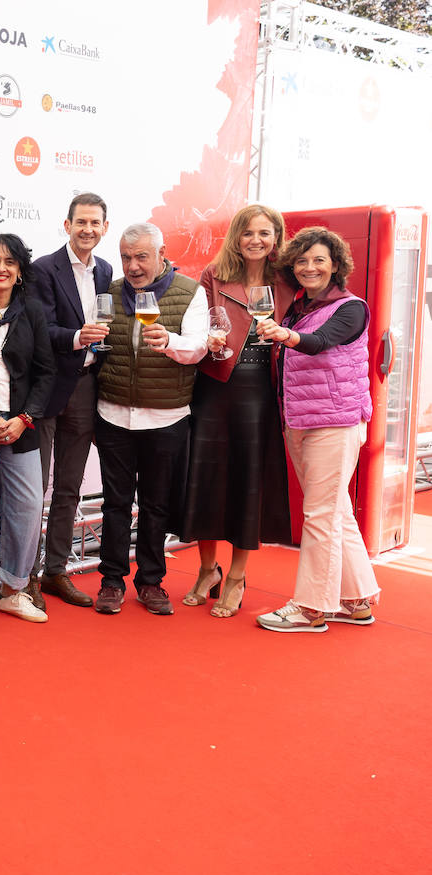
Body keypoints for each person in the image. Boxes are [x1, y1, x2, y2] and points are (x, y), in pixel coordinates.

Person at [254, 226, 380, 632]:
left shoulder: (351, 307)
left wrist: (284, 334)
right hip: (301, 421)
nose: (310, 267)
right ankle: (356, 599)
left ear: (336, 265)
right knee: (336, 511)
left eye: (319, 260)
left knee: (320, 514)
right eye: (303, 260)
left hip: (336, 422)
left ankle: (311, 607)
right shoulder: (298, 305)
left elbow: (320, 342)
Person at [179, 205, 294, 617]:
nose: (256, 240)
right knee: (205, 479)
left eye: (265, 233)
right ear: (236, 237)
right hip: (214, 385)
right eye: (248, 232)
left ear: (276, 237)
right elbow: (198, 323)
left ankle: (238, 577)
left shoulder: (288, 279)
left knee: (248, 484)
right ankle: (208, 569)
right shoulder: (214, 274)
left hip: (260, 392)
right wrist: (206, 339)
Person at [94, 223, 208, 615]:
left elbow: (199, 346)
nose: (133, 266)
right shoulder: (109, 293)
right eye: (126, 257)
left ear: (162, 253)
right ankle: (111, 581)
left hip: (166, 417)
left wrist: (171, 343)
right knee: (115, 504)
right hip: (113, 415)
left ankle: (150, 581)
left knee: (157, 505)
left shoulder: (190, 292)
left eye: (141, 256)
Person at [0, 234, 55, 626]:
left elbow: (46, 373)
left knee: (26, 510)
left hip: (22, 426)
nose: (2, 267)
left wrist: (24, 419)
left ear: (20, 271)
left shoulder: (32, 311)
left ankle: (12, 590)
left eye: (10, 262)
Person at [31, 193, 113, 609]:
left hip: (85, 387)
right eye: (81, 222)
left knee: (68, 488)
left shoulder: (107, 271)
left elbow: (108, 326)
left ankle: (55, 572)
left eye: (95, 223)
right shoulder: (44, 268)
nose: (87, 230)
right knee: (33, 489)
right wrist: (79, 336)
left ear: (104, 228)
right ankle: (24, 577)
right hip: (47, 390)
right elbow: (40, 329)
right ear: (67, 225)